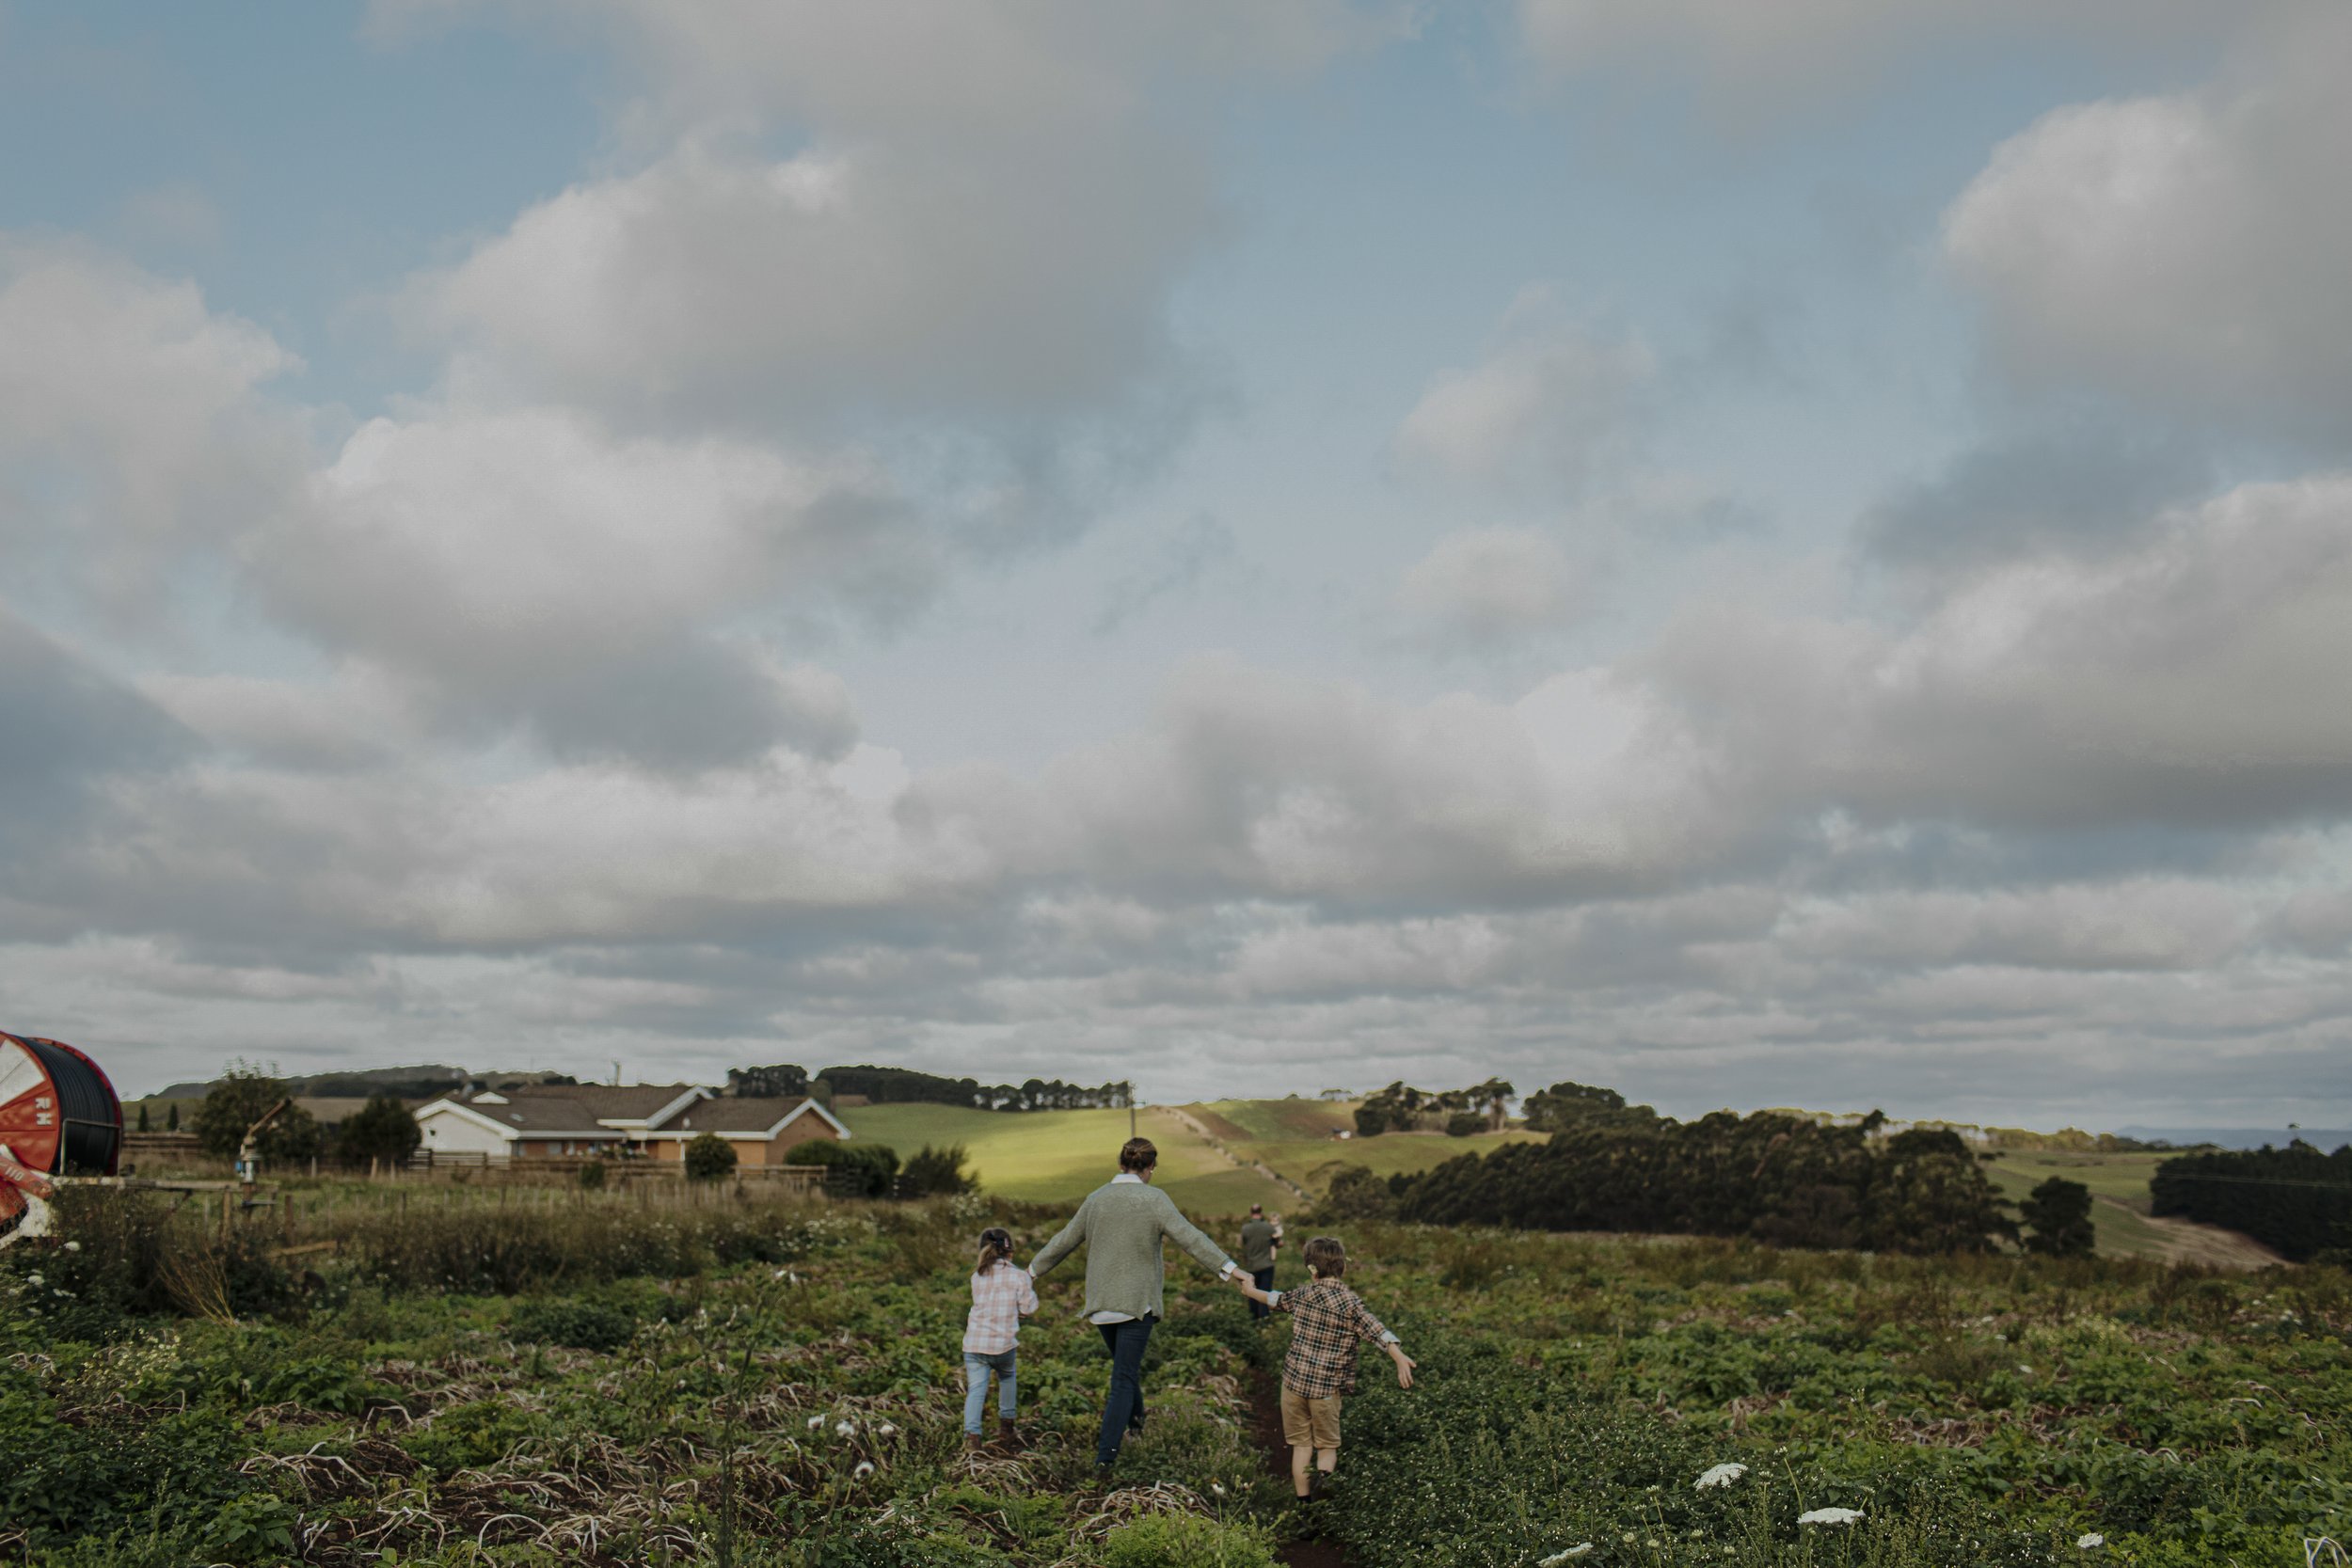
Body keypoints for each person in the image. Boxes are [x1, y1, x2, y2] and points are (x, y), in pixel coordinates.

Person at [1029, 1136, 1245, 1478]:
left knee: (1125, 1371)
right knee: (1124, 1378)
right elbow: (1190, 1238)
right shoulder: (1154, 1199)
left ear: (1121, 1164)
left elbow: (1064, 1240)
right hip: (1136, 1305)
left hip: (1101, 1306)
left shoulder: (1096, 1199)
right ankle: (1106, 1459)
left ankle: (1139, 1427)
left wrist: (1030, 1272)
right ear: (1150, 1168)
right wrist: (1231, 1269)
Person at [1232, 1235, 1414, 1502]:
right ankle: (1323, 1488)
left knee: (1301, 1446)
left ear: (1311, 1269)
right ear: (1343, 1267)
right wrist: (1398, 1356)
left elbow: (1274, 1299)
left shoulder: (1302, 1294)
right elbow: (1377, 1330)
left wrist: (1249, 1290)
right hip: (1326, 1390)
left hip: (1293, 1385)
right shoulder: (1350, 1303)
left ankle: (1305, 1506)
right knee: (1327, 1447)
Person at [961, 1226, 1037, 1452]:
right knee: (1007, 1376)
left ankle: (972, 1437)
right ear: (1010, 1251)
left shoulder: (977, 1276)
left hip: (974, 1343)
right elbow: (1029, 1308)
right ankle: (1006, 1427)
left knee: (976, 1389)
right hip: (1003, 1345)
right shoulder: (1019, 1276)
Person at [1238, 1203, 1281, 1321]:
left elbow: (1241, 1245)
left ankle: (1253, 1317)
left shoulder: (1245, 1228)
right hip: (1267, 1265)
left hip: (1252, 1265)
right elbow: (1278, 1243)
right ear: (1261, 1213)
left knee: (1251, 1291)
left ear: (1251, 1213)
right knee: (1265, 1291)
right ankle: (1264, 1317)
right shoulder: (1268, 1227)